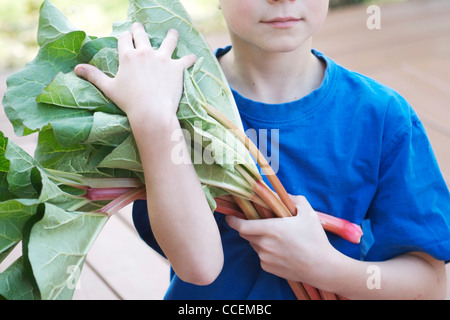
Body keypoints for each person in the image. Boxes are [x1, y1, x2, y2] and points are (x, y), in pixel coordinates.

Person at [74, 0, 450, 299]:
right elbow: (198, 267)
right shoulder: (167, 105)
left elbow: (431, 285)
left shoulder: (381, 116)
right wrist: (152, 120)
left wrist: (325, 268)